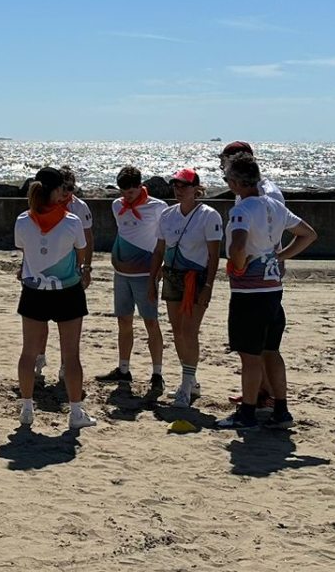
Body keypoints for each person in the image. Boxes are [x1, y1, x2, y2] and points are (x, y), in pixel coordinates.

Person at [219, 155, 318, 430]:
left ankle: (248, 413)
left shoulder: (242, 210)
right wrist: (280, 255)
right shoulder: (274, 205)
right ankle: (281, 411)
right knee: (271, 351)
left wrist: (237, 266)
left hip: (249, 293)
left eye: (227, 179)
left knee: (249, 356)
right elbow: (308, 234)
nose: (227, 183)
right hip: (273, 290)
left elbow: (238, 246)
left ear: (238, 182)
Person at [14, 167, 93, 430]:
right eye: (63, 189)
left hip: (34, 290)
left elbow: (25, 251)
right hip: (66, 291)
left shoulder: (23, 220)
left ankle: (26, 408)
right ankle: (75, 412)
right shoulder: (72, 222)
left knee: (28, 352)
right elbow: (81, 254)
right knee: (71, 355)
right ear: (56, 191)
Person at [148, 168, 223, 413]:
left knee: (190, 330)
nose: (179, 190)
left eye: (184, 186)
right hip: (172, 275)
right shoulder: (167, 215)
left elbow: (214, 255)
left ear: (196, 189)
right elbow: (159, 250)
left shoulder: (208, 216)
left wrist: (208, 286)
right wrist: (152, 279)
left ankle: (185, 383)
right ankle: (191, 379)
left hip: (196, 278)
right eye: (176, 186)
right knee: (177, 330)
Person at [98, 165, 167, 397]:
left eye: (131, 191)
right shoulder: (117, 205)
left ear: (140, 186)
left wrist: (159, 269)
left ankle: (157, 373)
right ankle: (124, 368)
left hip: (145, 273)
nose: (126, 196)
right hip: (122, 273)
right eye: (123, 192)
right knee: (123, 321)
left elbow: (163, 240)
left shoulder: (158, 207)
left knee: (151, 322)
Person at [35, 167, 97, 381]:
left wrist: (86, 268)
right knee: (39, 320)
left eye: (71, 188)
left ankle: (64, 365)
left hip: (70, 270)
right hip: (44, 270)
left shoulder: (79, 209)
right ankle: (39, 358)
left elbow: (87, 241)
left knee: (68, 324)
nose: (67, 193)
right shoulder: (42, 205)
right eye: (64, 188)